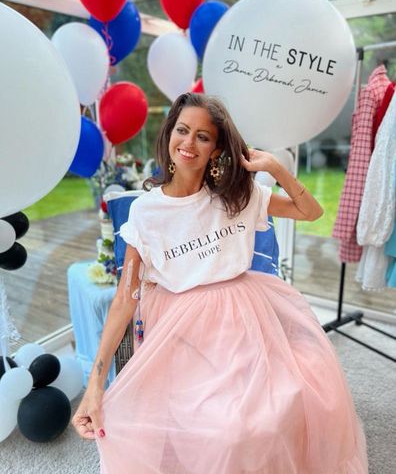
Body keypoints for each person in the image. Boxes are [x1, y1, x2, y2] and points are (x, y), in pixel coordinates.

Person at [73, 93, 368, 474]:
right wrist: (96, 385)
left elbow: (310, 212)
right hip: (180, 326)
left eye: (203, 136)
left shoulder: (239, 196)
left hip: (245, 317)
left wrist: (276, 168)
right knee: (213, 427)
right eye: (182, 130)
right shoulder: (147, 213)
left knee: (282, 408)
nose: (188, 143)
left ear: (216, 149)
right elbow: (125, 299)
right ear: (168, 136)